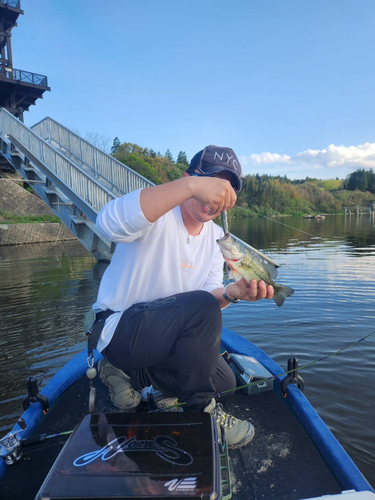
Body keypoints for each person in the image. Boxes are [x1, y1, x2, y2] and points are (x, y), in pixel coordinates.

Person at [89, 145, 274, 449]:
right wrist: (189, 187)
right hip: (119, 331)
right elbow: (106, 223)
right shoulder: (157, 214)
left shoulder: (217, 241)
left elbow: (207, 304)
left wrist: (233, 292)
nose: (214, 197)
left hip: (163, 338)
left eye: (224, 190)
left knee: (224, 382)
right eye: (211, 183)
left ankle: (137, 377)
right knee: (200, 315)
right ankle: (202, 412)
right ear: (190, 179)